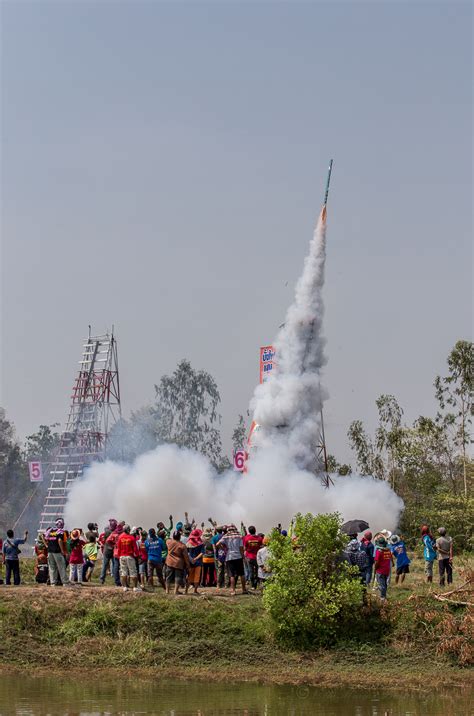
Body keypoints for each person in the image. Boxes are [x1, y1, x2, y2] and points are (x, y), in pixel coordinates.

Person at [215, 524, 248, 596]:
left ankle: (233, 590)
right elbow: (241, 548)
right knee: (242, 574)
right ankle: (244, 589)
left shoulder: (226, 536)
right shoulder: (239, 537)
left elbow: (217, 544)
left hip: (229, 557)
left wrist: (224, 548)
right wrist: (243, 557)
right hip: (238, 556)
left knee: (231, 575)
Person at [45, 518, 69, 587]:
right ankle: (65, 582)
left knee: (52, 567)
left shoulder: (50, 530)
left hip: (50, 552)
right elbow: (59, 540)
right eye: (63, 524)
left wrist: (47, 545)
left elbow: (44, 537)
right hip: (57, 552)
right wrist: (62, 550)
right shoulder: (60, 531)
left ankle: (53, 582)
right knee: (61, 566)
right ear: (61, 524)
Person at [116, 524, 140, 592]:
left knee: (124, 572)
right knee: (133, 572)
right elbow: (135, 549)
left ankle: (125, 587)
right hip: (129, 556)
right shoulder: (132, 538)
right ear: (129, 530)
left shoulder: (120, 537)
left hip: (122, 556)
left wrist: (119, 556)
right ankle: (135, 587)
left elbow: (119, 548)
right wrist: (138, 556)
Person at [165, 531, 190, 595]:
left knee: (168, 577)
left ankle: (167, 591)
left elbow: (167, 539)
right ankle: (175, 591)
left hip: (169, 562)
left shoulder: (169, 542)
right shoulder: (182, 545)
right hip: (178, 563)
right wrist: (187, 565)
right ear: (179, 537)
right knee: (178, 577)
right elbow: (186, 557)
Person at [374, 535, 393, 600]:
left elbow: (377, 562)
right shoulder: (388, 550)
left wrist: (375, 569)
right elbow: (390, 558)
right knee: (384, 584)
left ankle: (382, 597)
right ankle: (384, 596)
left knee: (381, 584)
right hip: (387, 570)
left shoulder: (379, 551)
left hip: (380, 570)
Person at [186, 528, 204, 595]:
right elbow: (202, 552)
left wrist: (191, 559)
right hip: (198, 562)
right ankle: (195, 590)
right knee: (197, 577)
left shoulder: (188, 543)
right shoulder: (201, 543)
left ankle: (186, 591)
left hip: (190, 563)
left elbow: (186, 553)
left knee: (189, 577)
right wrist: (196, 558)